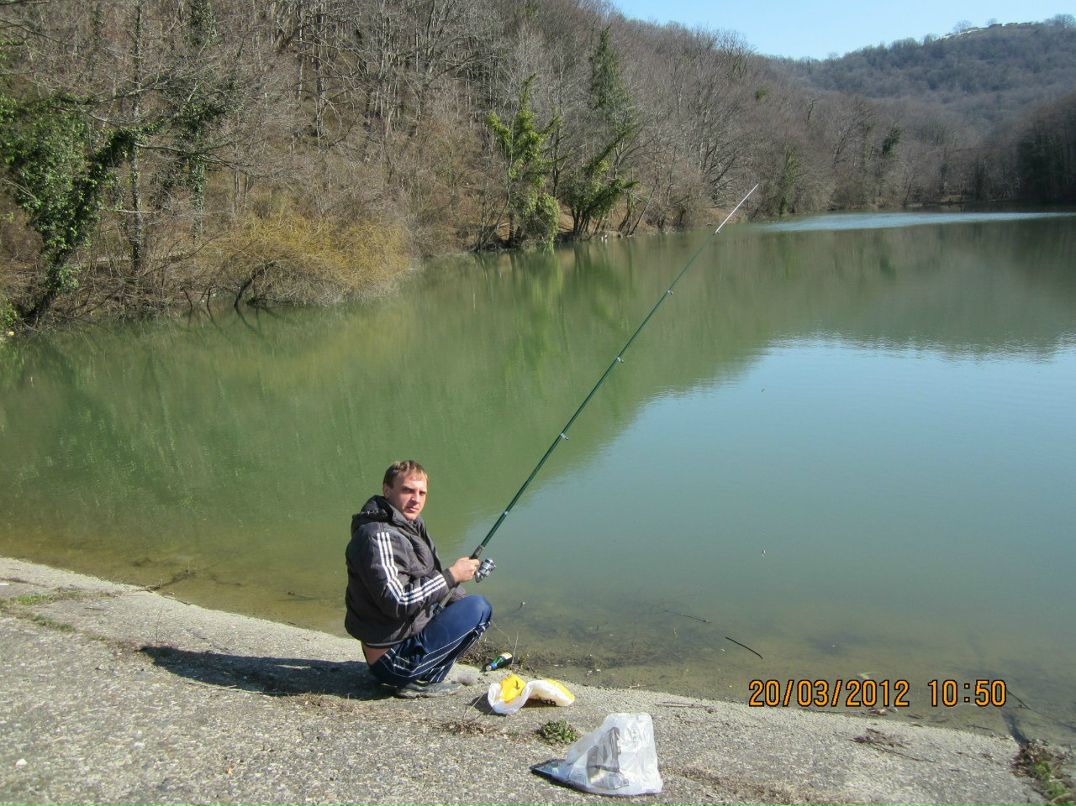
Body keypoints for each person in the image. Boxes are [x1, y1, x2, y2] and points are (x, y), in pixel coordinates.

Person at [345, 460, 493, 698]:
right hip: (391, 660)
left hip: (402, 638)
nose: (416, 499)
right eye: (407, 490)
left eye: (422, 492)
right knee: (480, 609)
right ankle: (418, 680)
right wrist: (452, 575)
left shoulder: (411, 524)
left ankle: (419, 678)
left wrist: (456, 589)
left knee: (466, 605)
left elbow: (427, 575)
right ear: (387, 490)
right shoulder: (378, 535)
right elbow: (399, 600)